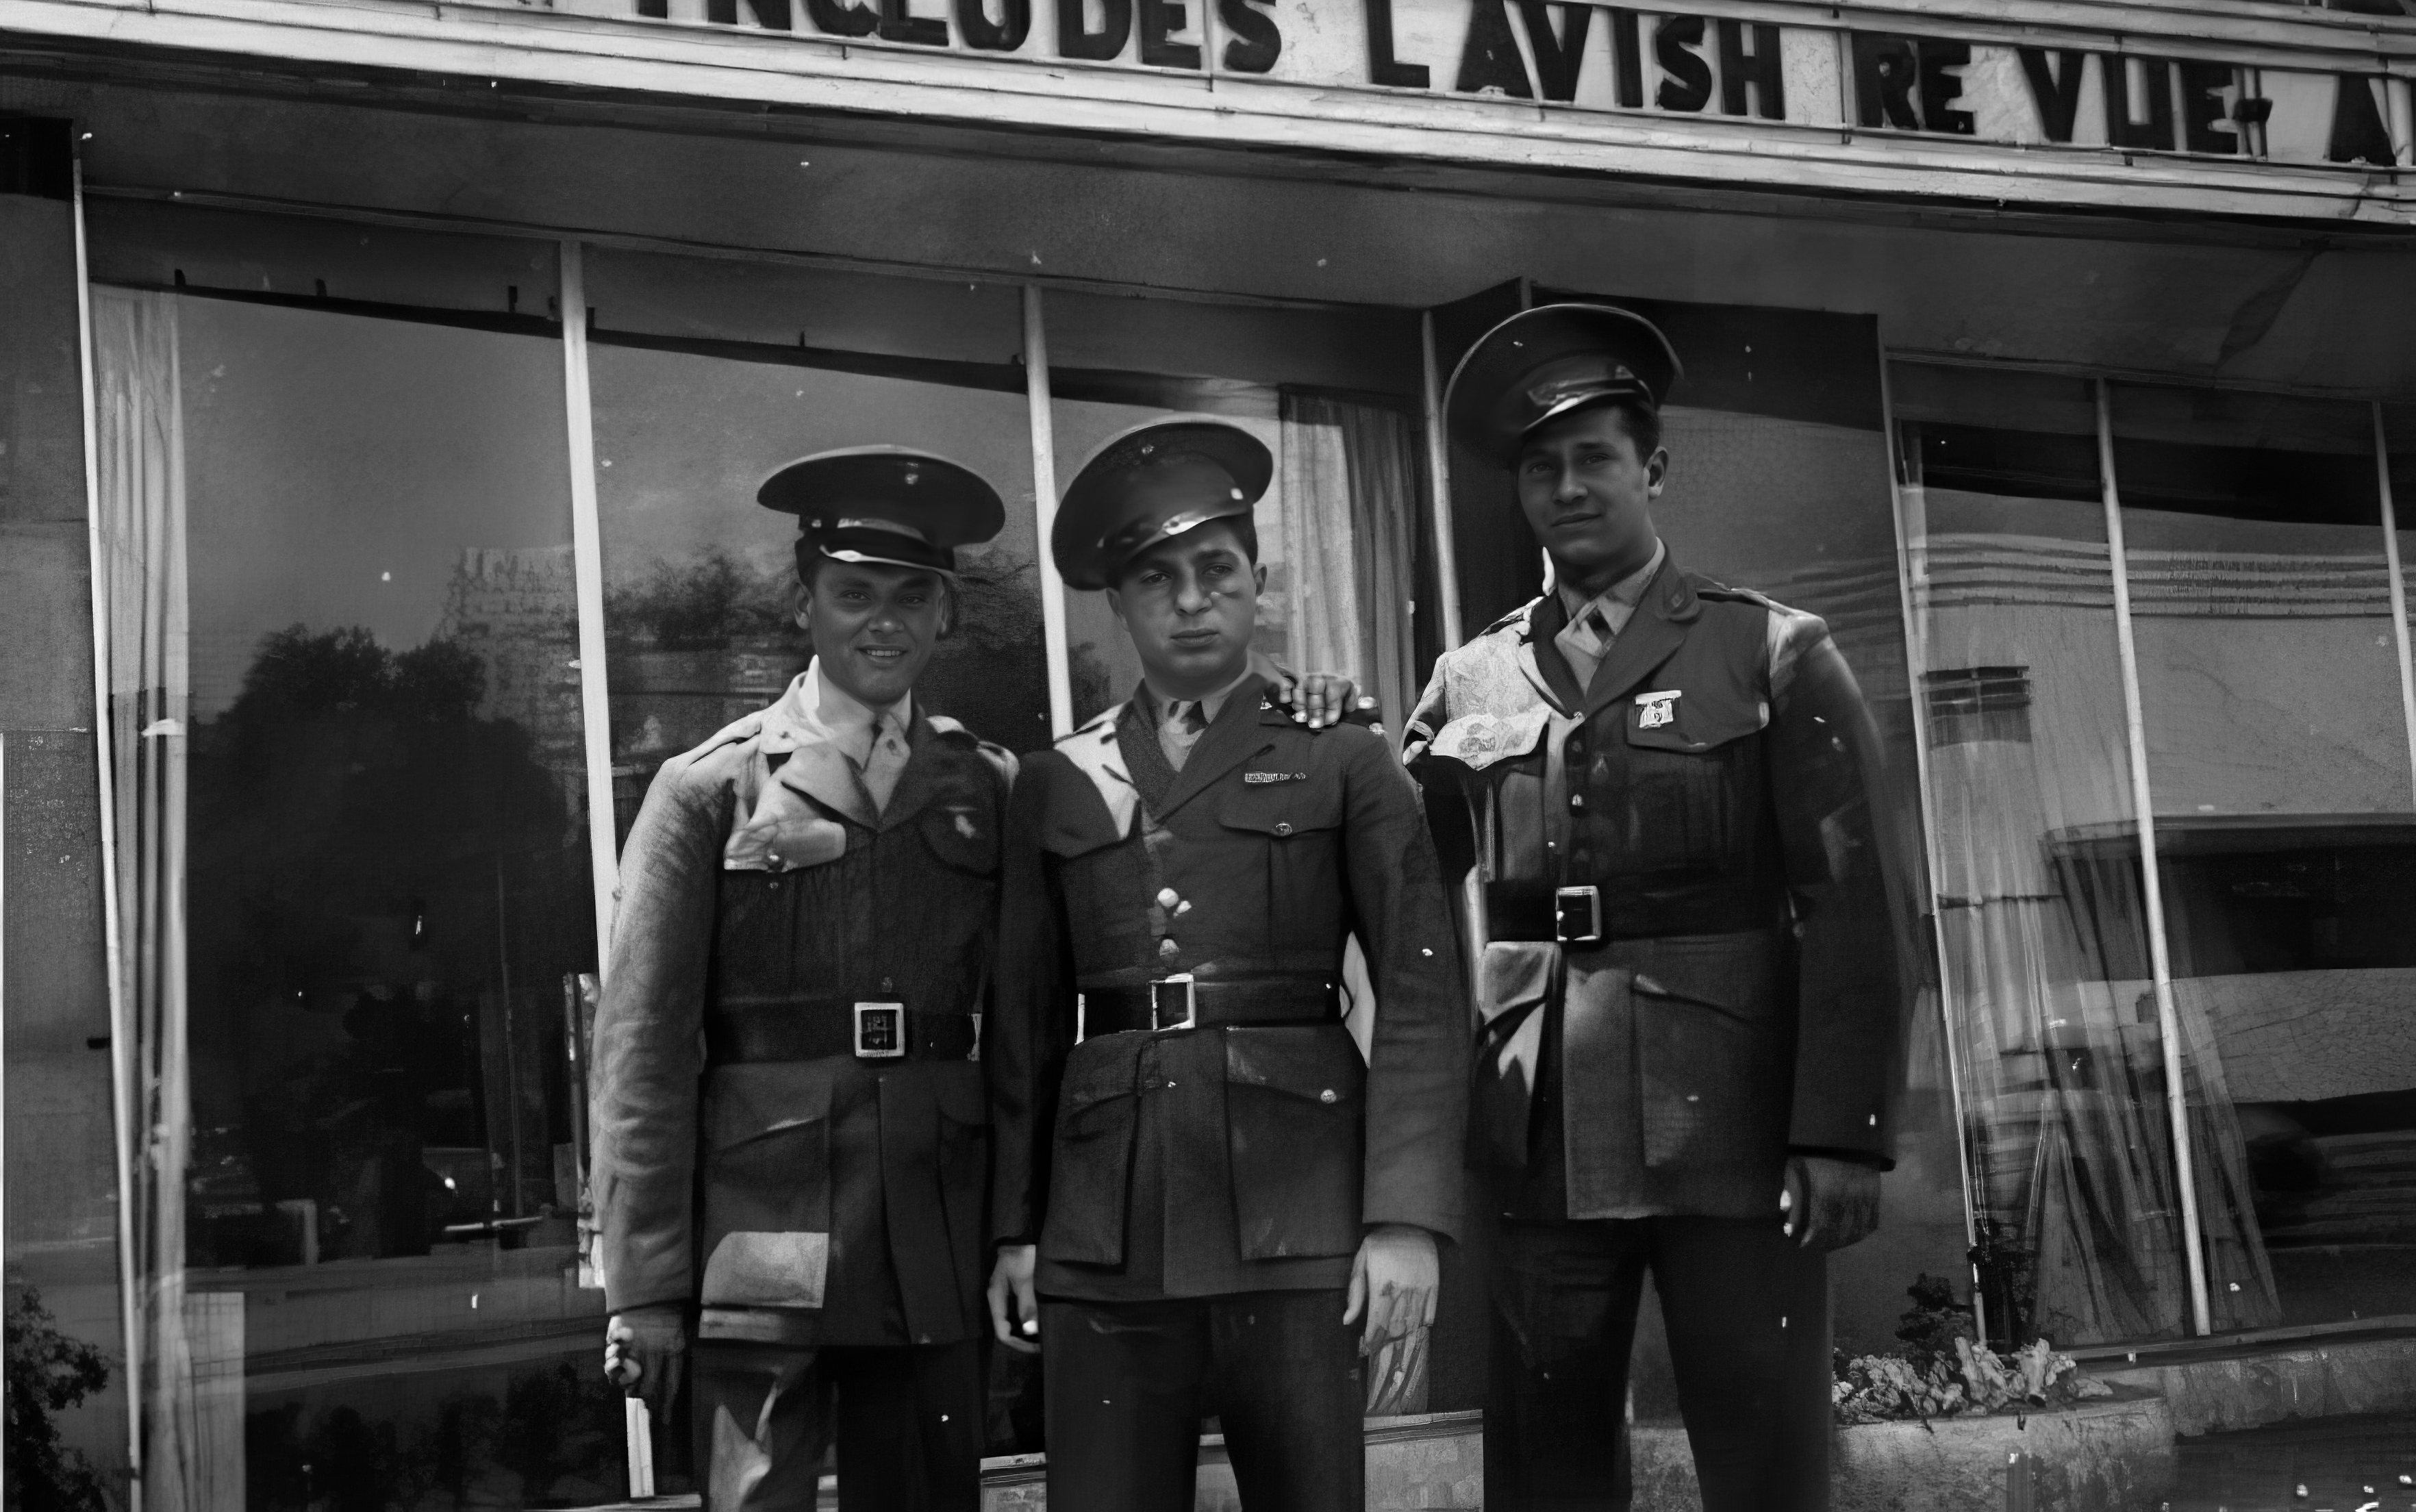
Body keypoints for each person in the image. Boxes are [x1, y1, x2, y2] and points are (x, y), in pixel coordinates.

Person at [588, 446, 1365, 1511]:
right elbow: (640, 1053)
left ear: (948, 613)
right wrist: (643, 1287)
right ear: (801, 599)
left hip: (929, 1229)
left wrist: (1281, 687)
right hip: (763, 1236)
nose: (884, 622)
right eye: (854, 592)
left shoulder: (989, 785)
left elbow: (1022, 1028)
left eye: (915, 597)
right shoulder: (706, 788)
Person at [1404, 305, 1913, 1511]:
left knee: (1764, 1460)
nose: (1567, 487)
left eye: (1595, 459)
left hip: (1726, 1127)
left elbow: (1856, 904)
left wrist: (1840, 1132)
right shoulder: (1467, 678)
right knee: (1545, 1468)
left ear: (1654, 470)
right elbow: (1402, 897)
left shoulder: (1772, 653)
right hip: (1537, 1138)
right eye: (1540, 466)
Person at [985, 418, 1469, 1512]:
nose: (1191, 599)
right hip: (1104, 1235)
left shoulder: (1343, 753)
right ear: (1118, 604)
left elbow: (1426, 994)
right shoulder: (1056, 783)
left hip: (1300, 1219)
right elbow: (1020, 1031)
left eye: (1216, 570)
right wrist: (1016, 1230)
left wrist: (1404, 1218)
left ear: (1259, 581)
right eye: (1157, 578)